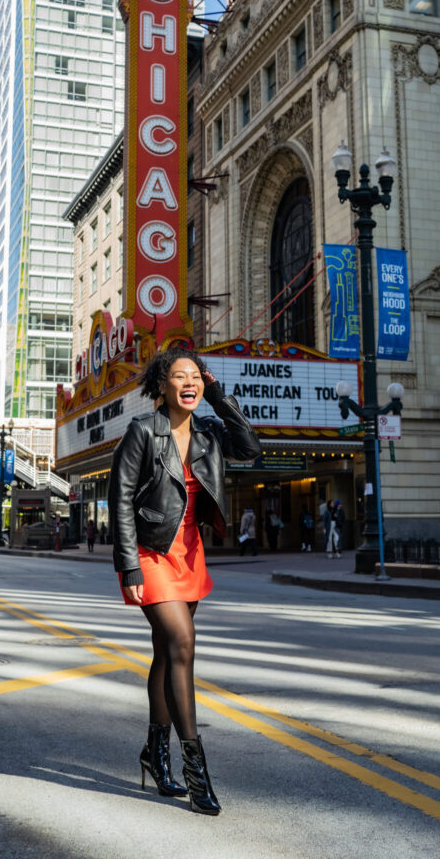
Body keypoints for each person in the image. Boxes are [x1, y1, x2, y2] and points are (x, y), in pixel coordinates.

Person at [108, 346, 261, 816]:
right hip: (152, 554)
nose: (190, 382)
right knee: (183, 646)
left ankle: (154, 754)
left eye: (196, 376)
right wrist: (128, 565)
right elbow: (121, 500)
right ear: (163, 385)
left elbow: (251, 449)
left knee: (165, 654)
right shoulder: (142, 433)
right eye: (180, 376)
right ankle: (197, 773)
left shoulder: (209, 432)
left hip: (189, 555)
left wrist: (218, 394)